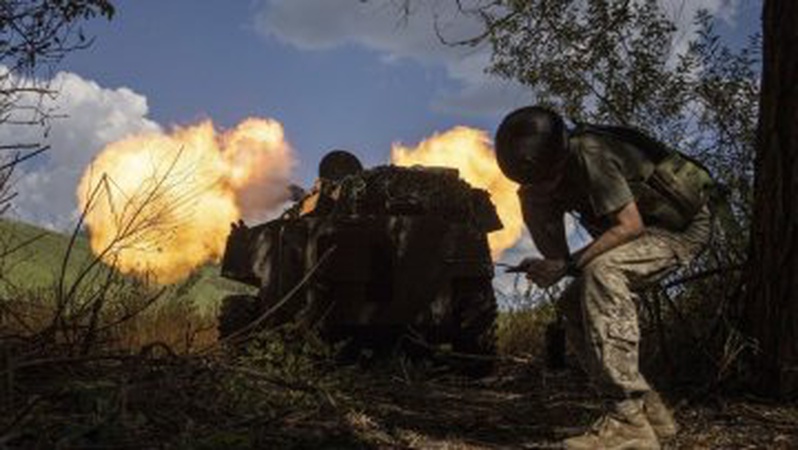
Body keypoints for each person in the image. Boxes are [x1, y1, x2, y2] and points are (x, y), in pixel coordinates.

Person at [495, 106, 711, 449]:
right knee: (572, 301)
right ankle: (651, 417)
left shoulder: (591, 154)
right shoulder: (542, 182)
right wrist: (546, 239)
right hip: (641, 235)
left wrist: (566, 266)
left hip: (678, 231)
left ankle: (627, 421)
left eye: (545, 178)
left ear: (559, 156)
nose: (543, 186)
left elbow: (630, 226)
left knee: (602, 271)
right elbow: (560, 259)